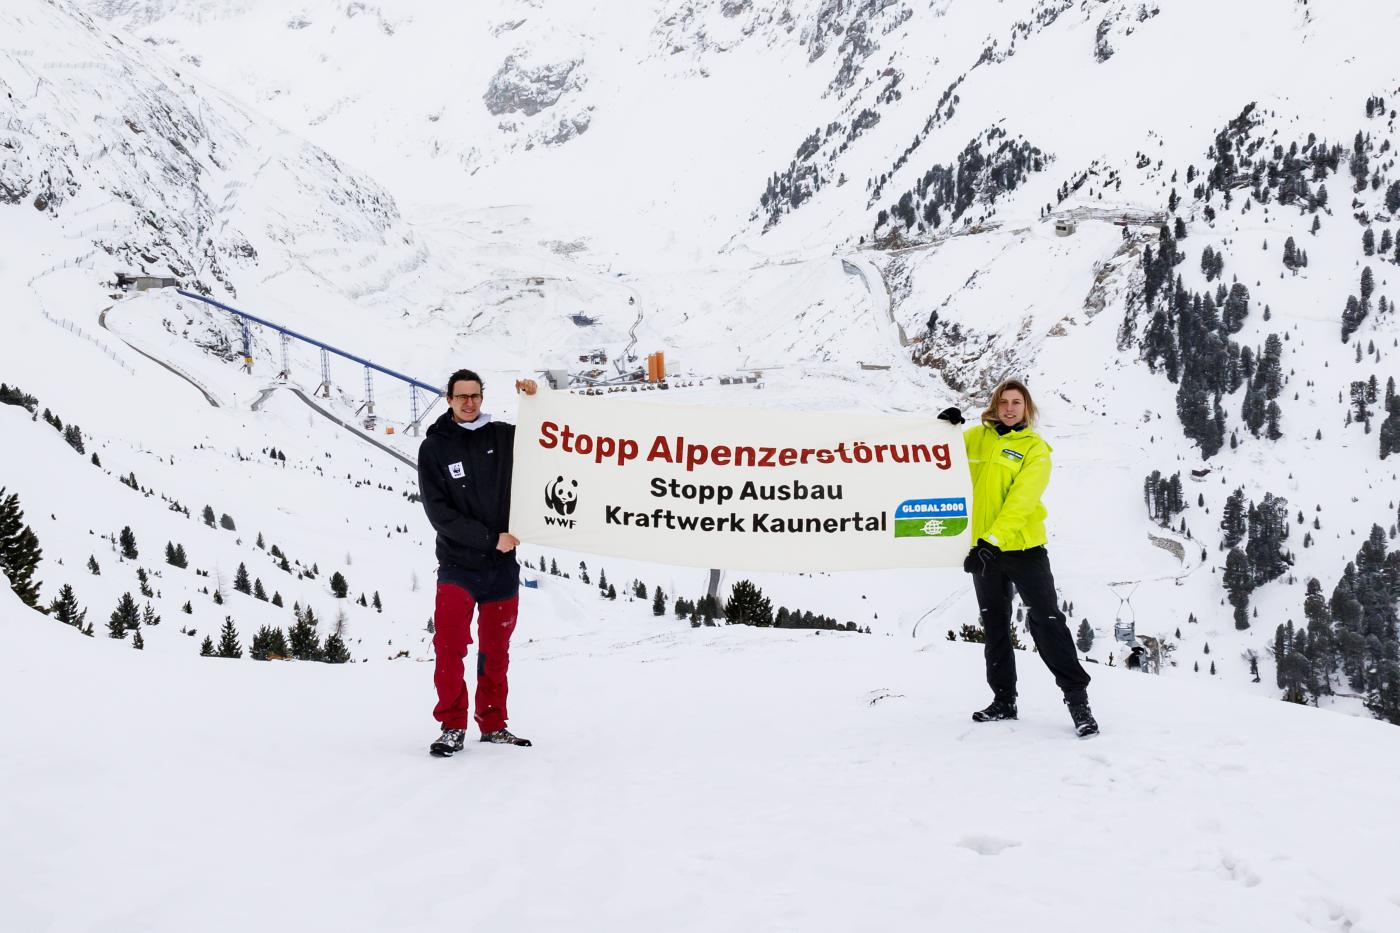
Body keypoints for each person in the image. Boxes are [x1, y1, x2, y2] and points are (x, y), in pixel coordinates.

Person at [937, 379, 1099, 737]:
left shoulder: (1035, 450)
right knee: (995, 626)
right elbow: (940, 458)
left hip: (1023, 549)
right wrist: (942, 429)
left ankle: (1078, 702)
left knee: (1048, 622)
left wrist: (993, 541)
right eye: (1004, 402)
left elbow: (1021, 502)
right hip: (985, 553)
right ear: (995, 406)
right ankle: (1004, 701)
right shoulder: (976, 439)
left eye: (1017, 403)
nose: (1010, 409)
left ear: (1027, 409)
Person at [418, 369, 537, 757]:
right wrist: (490, 539)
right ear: (449, 399)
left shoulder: (502, 436)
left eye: (475, 396)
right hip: (458, 566)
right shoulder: (435, 448)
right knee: (450, 647)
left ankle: (493, 724)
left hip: (502, 568)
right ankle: (452, 725)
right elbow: (439, 513)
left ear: (482, 397)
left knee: (495, 651)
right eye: (461, 396)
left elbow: (547, 444)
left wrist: (535, 401)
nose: (469, 403)